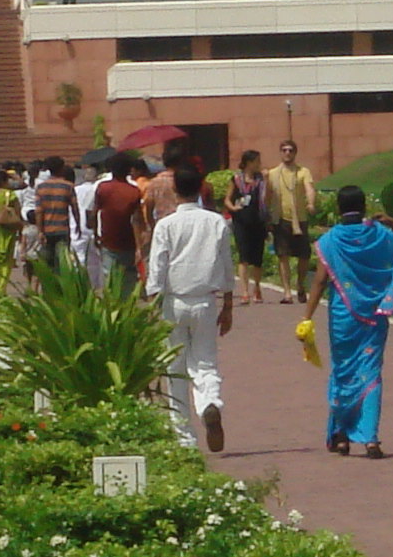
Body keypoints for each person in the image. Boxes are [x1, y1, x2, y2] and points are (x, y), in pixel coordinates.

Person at [306, 183, 393, 456]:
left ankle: (340, 434)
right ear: (364, 207)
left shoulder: (330, 241)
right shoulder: (380, 236)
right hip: (374, 316)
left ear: (338, 209)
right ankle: (371, 438)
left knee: (344, 372)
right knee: (371, 372)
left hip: (343, 318)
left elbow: (319, 281)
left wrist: (306, 317)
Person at [142, 158, 235, 452]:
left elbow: (157, 267)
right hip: (206, 300)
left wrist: (152, 302)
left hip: (173, 301)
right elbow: (226, 264)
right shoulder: (216, 221)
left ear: (175, 191)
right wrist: (228, 304)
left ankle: (184, 438)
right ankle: (209, 402)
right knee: (205, 362)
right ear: (199, 190)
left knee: (175, 368)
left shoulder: (166, 225)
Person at [264, 138, 318, 304]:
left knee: (304, 256)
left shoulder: (303, 172)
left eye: (290, 150)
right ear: (280, 153)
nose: (287, 153)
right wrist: (266, 215)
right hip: (280, 219)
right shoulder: (273, 173)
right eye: (284, 150)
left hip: (299, 219)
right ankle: (287, 292)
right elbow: (267, 196)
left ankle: (300, 285)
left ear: (295, 153)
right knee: (283, 255)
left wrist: (311, 203)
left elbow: (309, 189)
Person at [89, 153, 145, 290]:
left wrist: (96, 234)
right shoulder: (134, 191)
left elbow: (95, 212)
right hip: (128, 240)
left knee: (109, 276)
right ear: (128, 170)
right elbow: (137, 220)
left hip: (108, 238)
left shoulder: (103, 188)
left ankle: (112, 307)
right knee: (129, 278)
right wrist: (139, 246)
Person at [229, 146, 271, 303]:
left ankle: (257, 287)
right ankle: (245, 291)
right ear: (248, 163)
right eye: (256, 161)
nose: (259, 164)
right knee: (243, 257)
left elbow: (266, 199)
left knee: (257, 258)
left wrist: (266, 182)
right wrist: (233, 208)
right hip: (241, 221)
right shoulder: (236, 179)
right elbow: (228, 198)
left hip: (258, 220)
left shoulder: (260, 180)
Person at [27, 158, 76, 274]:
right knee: (63, 263)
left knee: (48, 263)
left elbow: (39, 211)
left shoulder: (41, 187)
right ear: (61, 169)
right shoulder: (68, 186)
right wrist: (77, 225)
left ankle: (49, 289)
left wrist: (40, 231)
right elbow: (74, 208)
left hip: (47, 229)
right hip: (63, 228)